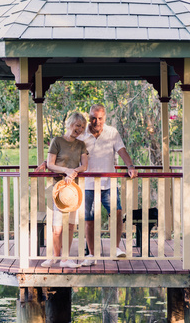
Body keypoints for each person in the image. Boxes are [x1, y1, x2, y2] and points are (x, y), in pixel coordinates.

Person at [37, 104, 138, 266]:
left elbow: (122, 150)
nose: (96, 121)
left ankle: (116, 248)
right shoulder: (81, 134)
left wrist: (130, 166)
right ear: (89, 116)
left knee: (117, 213)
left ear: (105, 118)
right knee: (88, 220)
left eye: (100, 118)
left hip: (109, 183)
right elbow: (65, 149)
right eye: (93, 118)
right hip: (86, 184)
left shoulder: (112, 133)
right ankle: (90, 254)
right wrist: (47, 162)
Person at [41, 112, 88, 268]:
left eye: (82, 127)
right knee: (57, 226)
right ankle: (54, 256)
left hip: (73, 189)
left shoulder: (81, 145)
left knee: (69, 225)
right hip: (59, 187)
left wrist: (74, 171)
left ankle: (65, 259)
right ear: (70, 124)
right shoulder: (57, 141)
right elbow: (50, 164)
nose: (79, 129)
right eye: (77, 126)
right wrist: (66, 171)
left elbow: (84, 165)